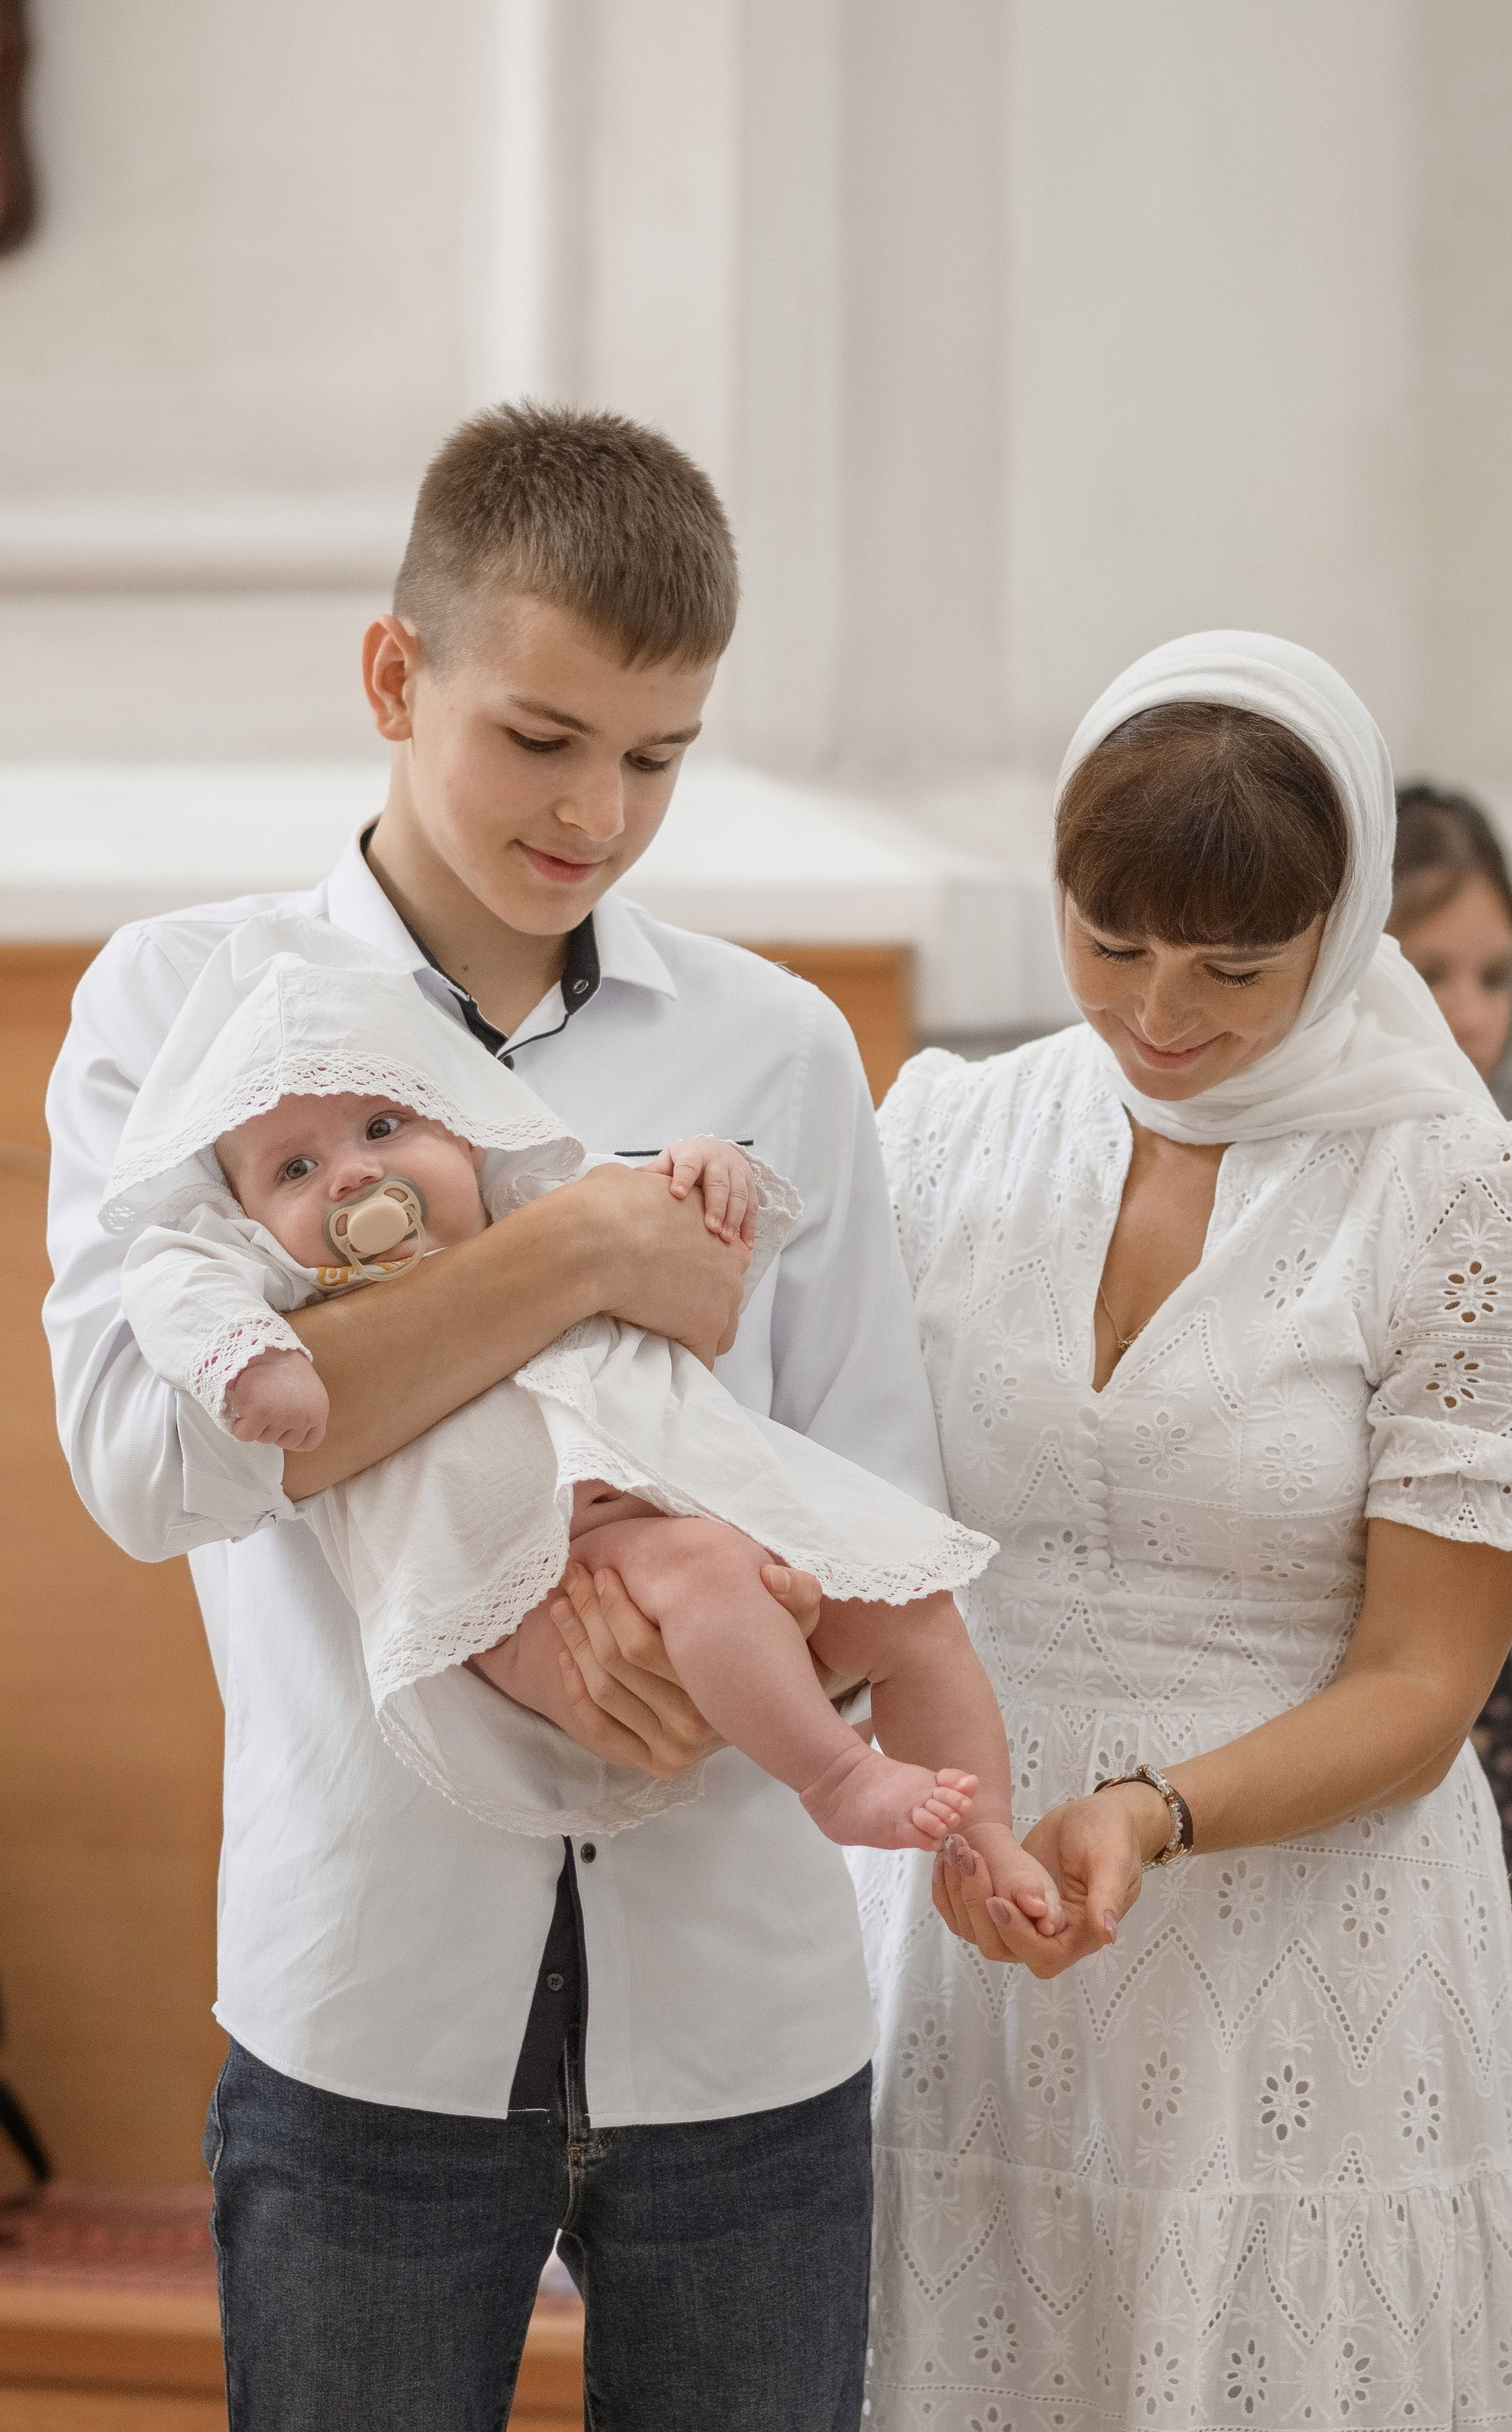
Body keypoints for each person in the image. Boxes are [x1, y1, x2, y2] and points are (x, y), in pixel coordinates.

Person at [42, 404, 945, 2432]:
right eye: (542, 739)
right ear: (396, 674)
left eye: (658, 757)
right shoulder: (176, 1015)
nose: (599, 814)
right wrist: (578, 1252)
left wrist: (732, 1659)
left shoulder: (781, 1047)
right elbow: (152, 1464)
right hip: (367, 2010)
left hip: (749, 2021)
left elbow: (873, 1486)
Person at [848, 636, 1512, 2427]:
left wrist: (1153, 1811)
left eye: (1233, 968)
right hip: (968, 1924)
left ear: (1340, 932)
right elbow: (850, 1522)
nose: (1160, 1012)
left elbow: (1422, 1682)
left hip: (1300, 1953)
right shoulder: (949, 1135)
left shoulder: (1462, 1197)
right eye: (1108, 942)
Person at [103, 910, 1059, 1896]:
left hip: (694, 1512)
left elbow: (657, 1218)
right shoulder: (289, 1284)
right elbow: (174, 1284)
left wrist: (709, 1169)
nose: (355, 1173)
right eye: (295, 1170)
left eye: (384, 1127)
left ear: (461, 1137)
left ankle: (985, 1834)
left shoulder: (529, 1200)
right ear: (253, 1222)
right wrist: (255, 1359)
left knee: (907, 1600)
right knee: (703, 1569)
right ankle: (838, 1778)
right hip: (530, 1585)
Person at [1385, 784, 1512, 2229]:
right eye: (1432, 968)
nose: (1470, 1012)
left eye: (1493, 976)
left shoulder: (1503, 1176)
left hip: (1456, 1663)